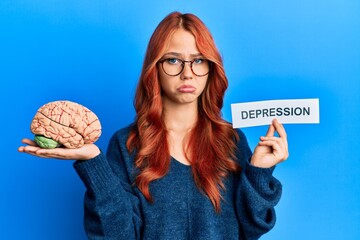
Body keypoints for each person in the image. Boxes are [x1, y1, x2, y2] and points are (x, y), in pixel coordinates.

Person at [18, 12, 289, 240]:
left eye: (198, 60)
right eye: (173, 60)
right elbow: (118, 235)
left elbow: (252, 228)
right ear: (154, 68)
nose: (187, 72)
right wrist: (93, 163)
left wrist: (259, 172)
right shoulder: (126, 145)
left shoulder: (232, 141)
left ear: (210, 68)